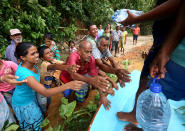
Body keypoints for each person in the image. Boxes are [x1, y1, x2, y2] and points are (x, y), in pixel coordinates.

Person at [117, 0, 182, 125]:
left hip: (165, 46)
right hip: (164, 46)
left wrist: (137, 19)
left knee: (147, 82)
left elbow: (176, 5)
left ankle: (136, 116)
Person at [12, 42, 84, 130]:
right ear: (23, 57)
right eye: (32, 54)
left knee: (38, 119)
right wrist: (68, 85)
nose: (36, 55)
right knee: (34, 125)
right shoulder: (25, 74)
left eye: (36, 52)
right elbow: (45, 92)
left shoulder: (30, 64)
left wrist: (66, 67)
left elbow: (52, 66)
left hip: (31, 96)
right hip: (24, 103)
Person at [60, 41, 110, 108]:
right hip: (66, 79)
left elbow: (95, 77)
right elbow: (73, 75)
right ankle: (72, 99)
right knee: (67, 96)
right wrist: (91, 80)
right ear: (79, 51)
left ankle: (79, 101)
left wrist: (102, 96)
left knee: (83, 88)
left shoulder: (91, 59)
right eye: (87, 52)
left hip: (79, 77)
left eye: (90, 52)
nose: (89, 54)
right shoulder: (73, 57)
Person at [38, 46, 79, 114]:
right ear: (42, 58)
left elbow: (63, 63)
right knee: (43, 103)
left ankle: (46, 109)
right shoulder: (44, 64)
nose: (50, 54)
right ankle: (43, 113)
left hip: (48, 86)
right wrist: (66, 68)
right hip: (41, 87)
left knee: (49, 100)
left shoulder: (53, 60)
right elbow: (54, 66)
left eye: (50, 52)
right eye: (47, 53)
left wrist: (71, 57)